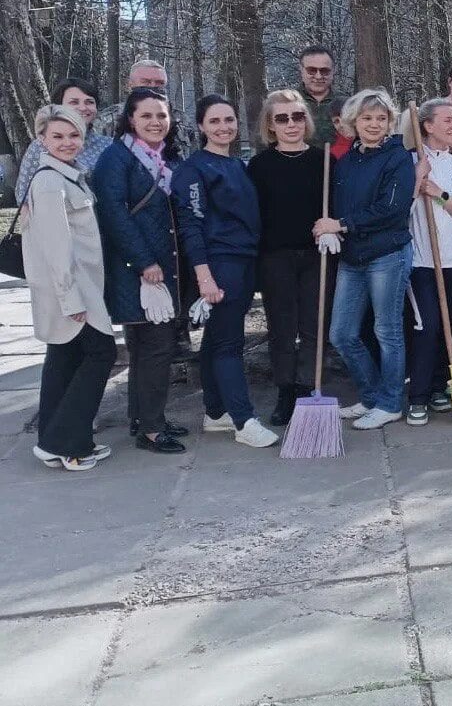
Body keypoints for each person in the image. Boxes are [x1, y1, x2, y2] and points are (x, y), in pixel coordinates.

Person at [172, 95, 278, 447]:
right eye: (215, 121)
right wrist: (205, 277)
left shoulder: (237, 166)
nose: (223, 127)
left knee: (217, 339)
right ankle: (243, 420)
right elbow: (190, 225)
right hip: (219, 264)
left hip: (246, 261)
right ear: (201, 126)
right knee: (229, 344)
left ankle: (215, 412)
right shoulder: (194, 169)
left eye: (229, 120)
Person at [313, 88, 416, 430]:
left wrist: (342, 224)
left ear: (390, 122)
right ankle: (372, 396)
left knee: (386, 330)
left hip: (387, 253)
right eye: (366, 118)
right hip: (352, 256)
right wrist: (328, 227)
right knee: (341, 333)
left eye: (381, 118)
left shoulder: (398, 157)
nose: (374, 124)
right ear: (353, 122)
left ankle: (389, 403)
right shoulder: (347, 161)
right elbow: (338, 204)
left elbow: (392, 209)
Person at [92, 88, 188, 454]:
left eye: (161, 115)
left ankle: (145, 418)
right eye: (146, 115)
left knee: (147, 348)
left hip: (159, 269)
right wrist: (145, 262)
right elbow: (115, 216)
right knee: (156, 348)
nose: (155, 122)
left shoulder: (163, 157)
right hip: (140, 271)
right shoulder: (116, 159)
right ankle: (150, 429)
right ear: (130, 119)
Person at [23, 106, 116, 471]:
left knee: (64, 359)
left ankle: (51, 441)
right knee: (100, 354)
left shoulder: (69, 176)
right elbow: (57, 250)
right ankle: (71, 445)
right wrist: (70, 298)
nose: (67, 143)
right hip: (75, 290)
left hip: (82, 286)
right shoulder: (49, 182)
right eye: (57, 136)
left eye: (73, 135)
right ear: (41, 140)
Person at [248, 89, 329, 426]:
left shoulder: (322, 161)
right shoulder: (259, 165)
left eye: (297, 116)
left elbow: (335, 206)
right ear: (270, 124)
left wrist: (332, 229)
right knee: (282, 326)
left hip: (317, 256)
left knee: (313, 325)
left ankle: (310, 385)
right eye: (282, 118)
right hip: (275, 257)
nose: (291, 123)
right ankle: (285, 390)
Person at [403, 98, 452, 426]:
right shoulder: (408, 160)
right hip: (421, 261)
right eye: (447, 120)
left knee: (449, 326)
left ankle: (436, 388)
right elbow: (399, 209)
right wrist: (417, 181)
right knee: (426, 324)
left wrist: (439, 193)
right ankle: (416, 395)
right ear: (427, 126)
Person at [16, 78, 111, 203]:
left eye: (89, 102)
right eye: (74, 102)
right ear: (59, 106)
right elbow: (25, 197)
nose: (83, 107)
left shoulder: (108, 145)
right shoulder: (41, 146)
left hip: (104, 220)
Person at [93, 59, 198, 151]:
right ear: (130, 85)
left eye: (159, 83)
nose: (153, 86)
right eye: (146, 82)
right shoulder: (108, 119)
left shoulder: (182, 120)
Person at [298, 45, 340, 145]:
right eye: (311, 70)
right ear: (301, 69)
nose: (318, 76)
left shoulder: (347, 103)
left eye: (324, 71)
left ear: (333, 71)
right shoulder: (286, 103)